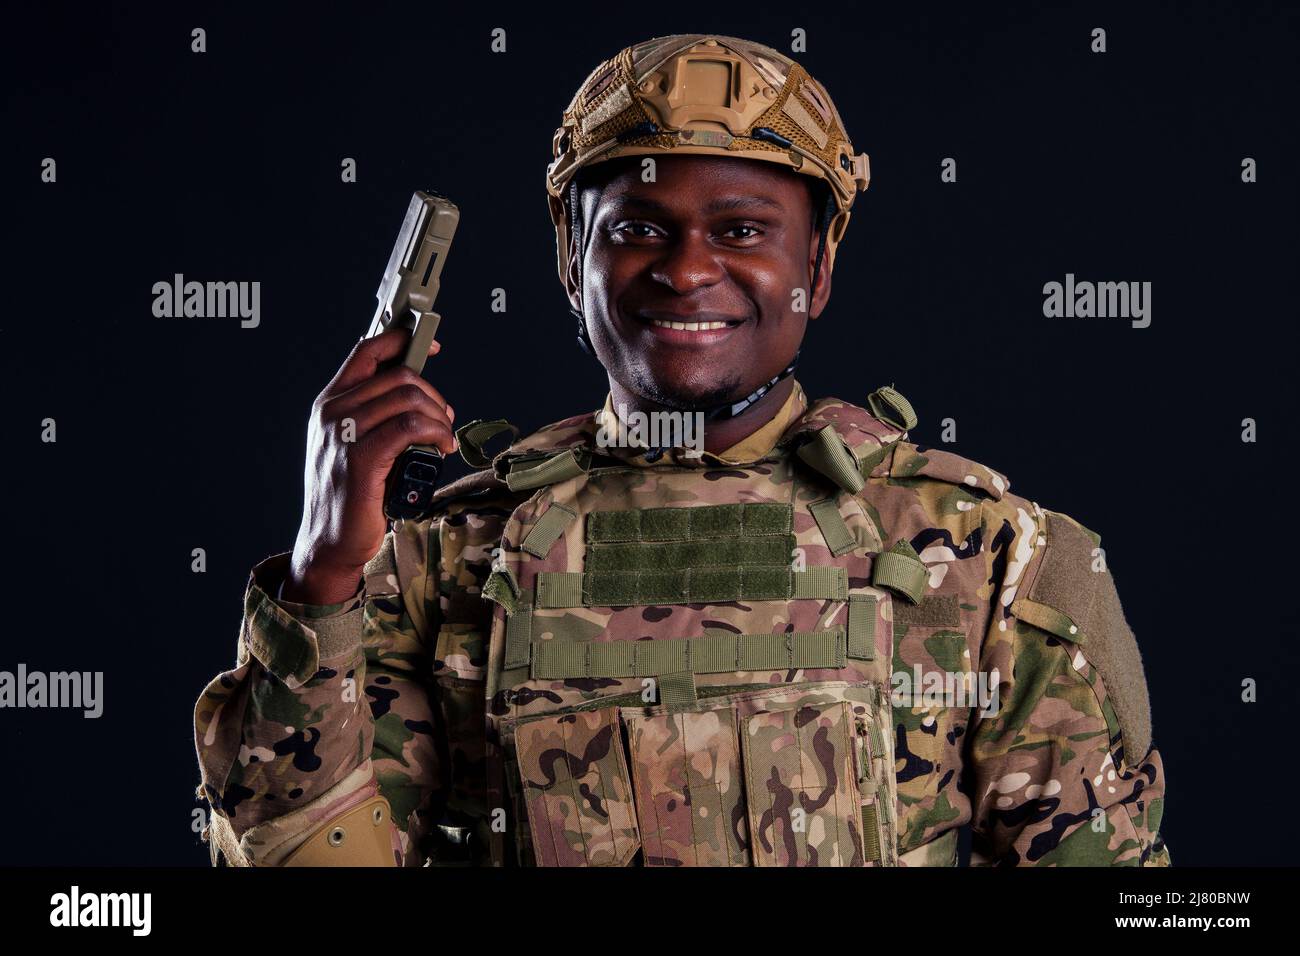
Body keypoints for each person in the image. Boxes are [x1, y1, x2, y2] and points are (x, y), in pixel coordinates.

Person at [194, 34, 1169, 867]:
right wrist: (324, 574)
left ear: (817, 263)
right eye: (637, 228)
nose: (688, 268)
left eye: (741, 229)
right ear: (571, 261)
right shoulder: (439, 563)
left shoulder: (988, 557)